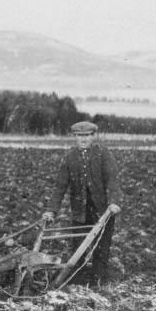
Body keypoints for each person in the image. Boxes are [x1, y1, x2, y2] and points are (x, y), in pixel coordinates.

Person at [42, 121, 121, 286]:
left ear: (93, 136)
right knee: (78, 250)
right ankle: (76, 285)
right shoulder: (69, 158)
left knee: (101, 250)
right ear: (75, 137)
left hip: (102, 212)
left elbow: (112, 181)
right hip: (80, 213)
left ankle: (97, 284)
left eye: (86, 136)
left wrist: (113, 203)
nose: (83, 139)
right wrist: (51, 210)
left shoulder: (103, 154)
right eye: (79, 136)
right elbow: (60, 186)